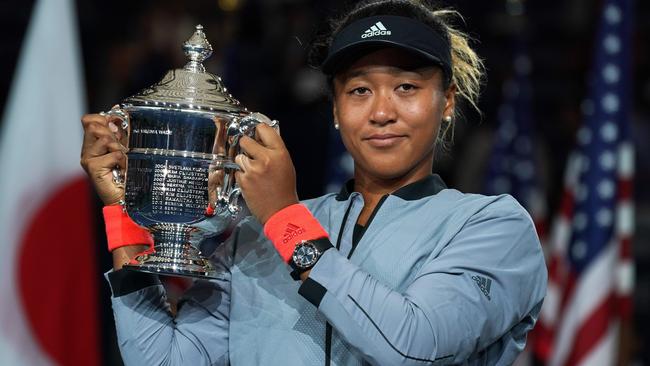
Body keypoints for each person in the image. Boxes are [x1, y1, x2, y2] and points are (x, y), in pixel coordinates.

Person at [80, 0, 547, 365]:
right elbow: (167, 361)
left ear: (446, 101)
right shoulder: (254, 238)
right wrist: (128, 218)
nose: (382, 112)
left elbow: (412, 346)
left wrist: (285, 219)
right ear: (336, 111)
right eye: (359, 90)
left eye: (407, 87)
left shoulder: (493, 227)